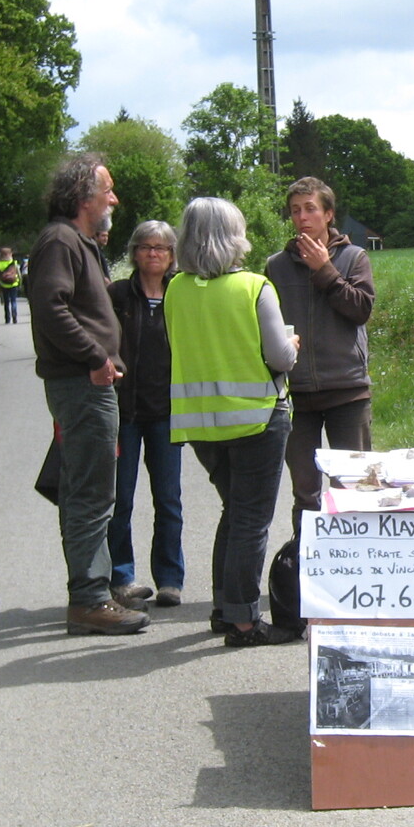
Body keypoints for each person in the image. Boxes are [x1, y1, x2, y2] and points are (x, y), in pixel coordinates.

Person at [166, 197, 300, 646]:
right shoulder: (254, 287)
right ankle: (244, 623)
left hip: (201, 425)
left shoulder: (175, 289)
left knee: (235, 513)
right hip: (257, 417)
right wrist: (293, 344)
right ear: (233, 237)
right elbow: (280, 357)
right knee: (251, 521)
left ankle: (225, 610)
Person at [27, 152, 148, 635]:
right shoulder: (60, 240)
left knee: (91, 488)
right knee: (90, 492)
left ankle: (97, 588)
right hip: (83, 383)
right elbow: (50, 307)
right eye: (107, 189)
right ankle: (90, 599)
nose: (113, 199)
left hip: (87, 383)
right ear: (83, 196)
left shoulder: (76, 242)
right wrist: (96, 357)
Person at [265, 177, 375, 535]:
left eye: (310, 209)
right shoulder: (276, 266)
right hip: (296, 394)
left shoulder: (354, 258)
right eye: (295, 210)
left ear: (328, 214)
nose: (302, 217)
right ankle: (304, 558)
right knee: (305, 492)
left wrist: (325, 270)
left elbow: (360, 310)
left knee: (351, 486)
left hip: (347, 390)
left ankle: (354, 557)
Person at [107, 220, 184, 609]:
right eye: (146, 247)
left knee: (168, 500)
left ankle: (170, 579)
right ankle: (122, 578)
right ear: (134, 252)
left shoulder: (181, 294)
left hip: (167, 412)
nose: (153, 254)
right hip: (124, 412)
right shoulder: (118, 295)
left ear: (172, 255)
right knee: (120, 500)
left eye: (161, 248)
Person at [0, 245, 21, 323]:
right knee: (13, 301)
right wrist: (19, 283)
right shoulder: (14, 263)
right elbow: (19, 274)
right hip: (14, 284)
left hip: (3, 285)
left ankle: (7, 318)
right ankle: (14, 316)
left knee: (6, 302)